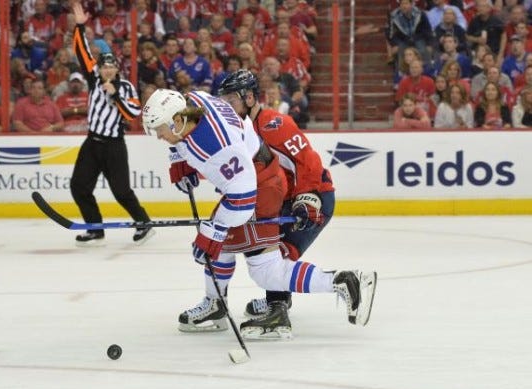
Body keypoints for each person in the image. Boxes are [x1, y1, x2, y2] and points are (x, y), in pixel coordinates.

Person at [142, 88, 377, 339]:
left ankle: (344, 282)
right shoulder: (195, 102)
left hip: (259, 189)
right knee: (220, 247)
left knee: (265, 270)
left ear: (177, 121)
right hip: (258, 177)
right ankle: (216, 303)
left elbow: (242, 200)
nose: (158, 136)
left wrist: (214, 231)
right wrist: (180, 157)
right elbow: (192, 108)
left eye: (160, 130)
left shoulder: (218, 148)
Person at [216, 69, 349, 322]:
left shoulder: (272, 123)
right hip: (286, 202)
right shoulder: (243, 129)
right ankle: (277, 302)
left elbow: (307, 161)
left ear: (250, 98)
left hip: (313, 199)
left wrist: (307, 198)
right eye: (223, 101)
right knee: (270, 254)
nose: (227, 107)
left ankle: (278, 311)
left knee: (276, 255)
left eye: (231, 100)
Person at [70, 1, 153, 246]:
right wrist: (80, 26)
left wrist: (114, 94)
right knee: (79, 187)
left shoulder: (125, 86)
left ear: (117, 69)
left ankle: (143, 223)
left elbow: (132, 113)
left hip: (114, 145)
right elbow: (81, 50)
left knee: (121, 191)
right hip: (92, 143)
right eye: (103, 66)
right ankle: (95, 228)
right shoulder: (93, 78)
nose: (106, 70)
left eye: (110, 66)